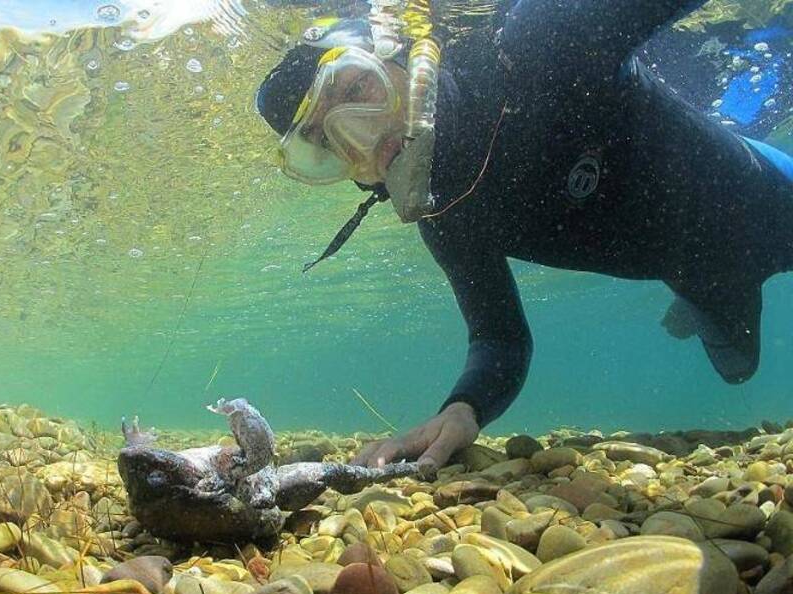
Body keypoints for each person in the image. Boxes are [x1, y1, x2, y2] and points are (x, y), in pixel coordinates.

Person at [254, 1, 793, 473]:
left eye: (356, 89)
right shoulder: (444, 209)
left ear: (402, 53)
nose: (365, 138)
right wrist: (463, 410)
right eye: (327, 141)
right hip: (701, 275)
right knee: (737, 372)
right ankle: (695, 301)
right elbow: (501, 340)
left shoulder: (542, 38)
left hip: (771, 208)